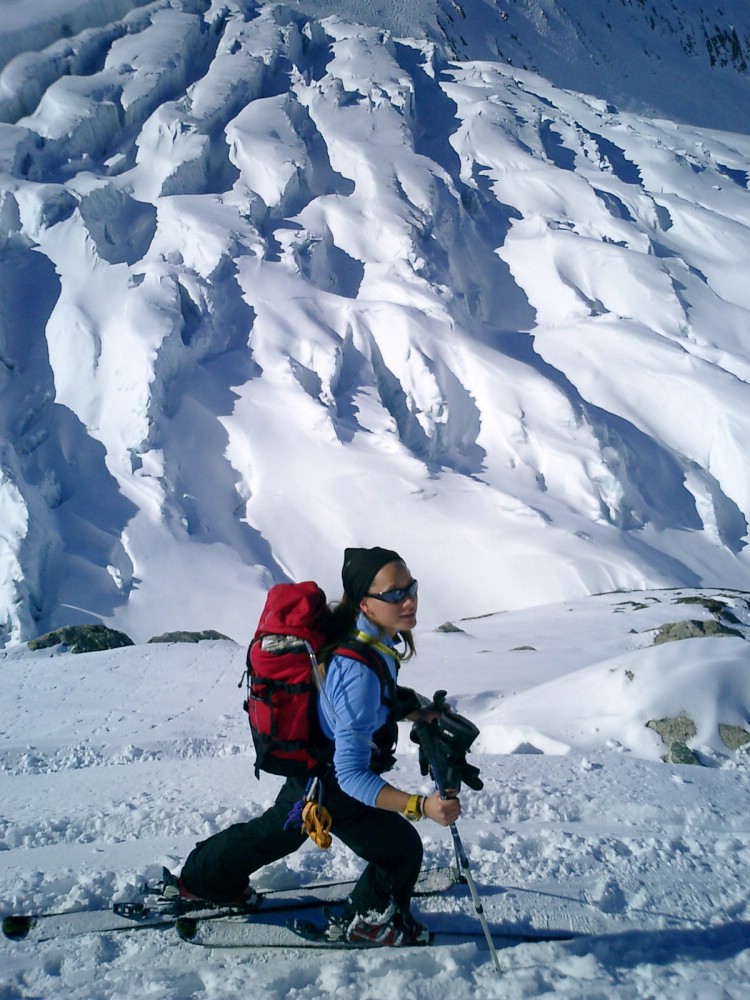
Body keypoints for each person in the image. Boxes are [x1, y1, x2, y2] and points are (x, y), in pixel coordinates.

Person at [173, 546, 461, 945]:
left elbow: (368, 702)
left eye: (411, 587)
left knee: (277, 832)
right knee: (400, 850)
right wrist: (420, 806)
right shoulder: (358, 667)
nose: (409, 599)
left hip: (315, 773)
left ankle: (203, 880)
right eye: (395, 594)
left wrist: (414, 710)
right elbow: (352, 775)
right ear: (366, 603)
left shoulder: (368, 638)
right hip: (332, 784)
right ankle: (370, 920)